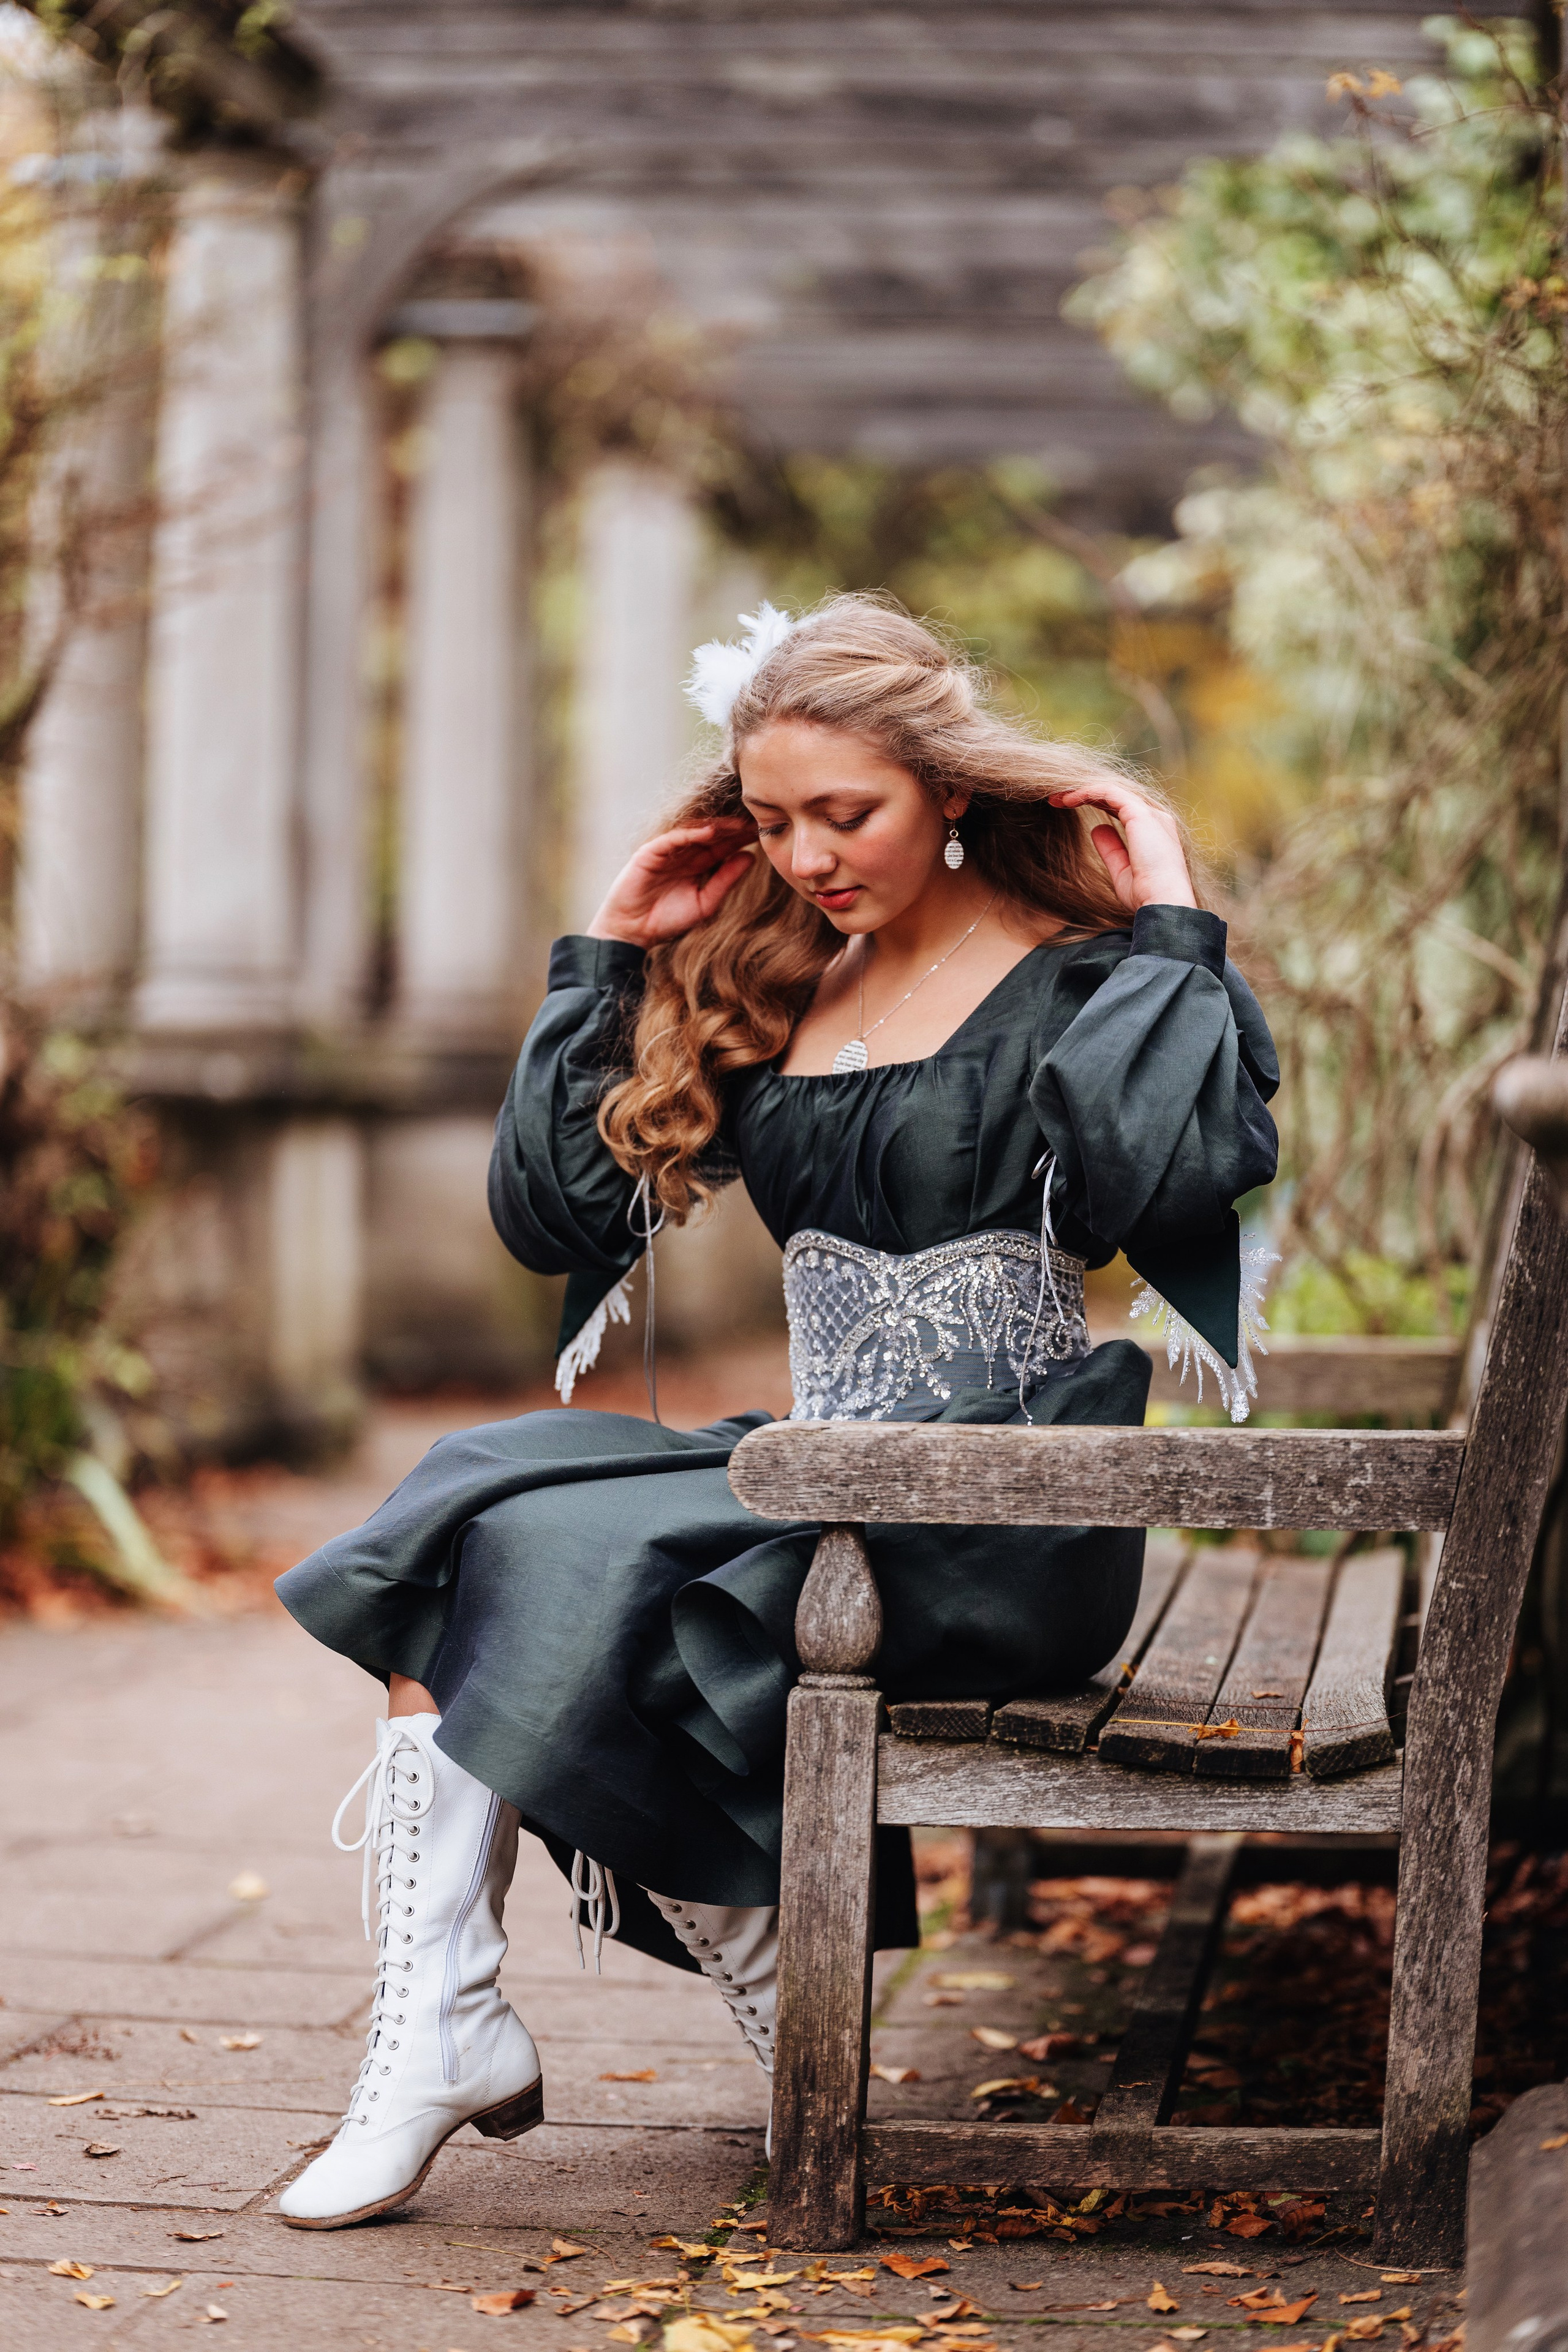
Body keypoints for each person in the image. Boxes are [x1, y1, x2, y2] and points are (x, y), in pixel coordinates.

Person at [273, 595, 1278, 2229]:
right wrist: (610, 945)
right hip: (814, 1497)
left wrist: (1167, 922)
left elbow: (1154, 1176)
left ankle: (686, 1981)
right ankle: (435, 2019)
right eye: (770, 819)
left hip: (1001, 1519)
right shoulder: (776, 976)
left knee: (551, 1544)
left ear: (952, 790)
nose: (807, 856)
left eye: (847, 813)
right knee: (477, 1507)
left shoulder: (1085, 983)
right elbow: (555, 1220)